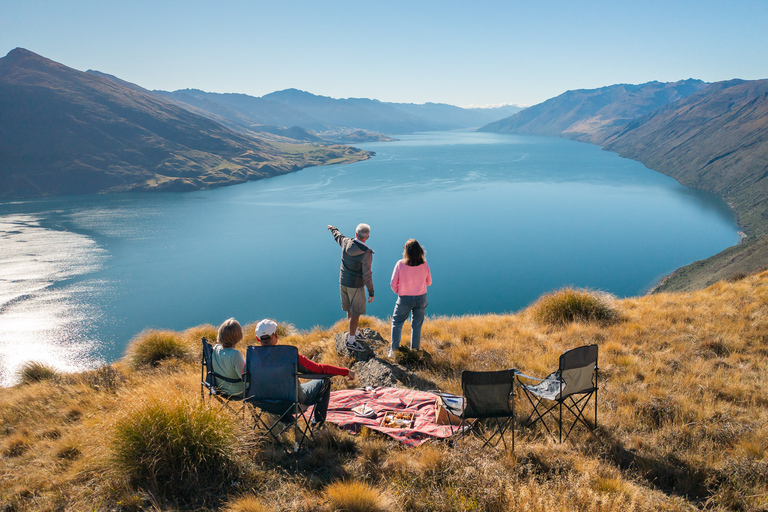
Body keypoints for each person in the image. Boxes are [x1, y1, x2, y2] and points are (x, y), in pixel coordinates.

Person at [254, 318, 355, 425]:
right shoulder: (290, 356)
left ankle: (286, 420)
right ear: (276, 335)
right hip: (293, 404)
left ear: (257, 338)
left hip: (264, 404)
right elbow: (319, 369)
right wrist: (346, 371)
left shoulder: (251, 359)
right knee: (324, 381)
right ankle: (317, 425)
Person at [327, 223, 374, 351]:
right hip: (356, 285)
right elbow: (367, 275)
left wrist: (333, 228)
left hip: (343, 282)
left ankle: (355, 332)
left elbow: (338, 236)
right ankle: (351, 341)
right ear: (367, 237)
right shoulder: (366, 253)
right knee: (356, 312)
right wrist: (371, 291)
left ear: (356, 234)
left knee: (349, 309)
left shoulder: (346, 242)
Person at [388, 239, 432, 358]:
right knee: (417, 325)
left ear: (406, 251)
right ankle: (415, 351)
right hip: (421, 298)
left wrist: (400, 291)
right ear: (419, 251)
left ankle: (394, 351)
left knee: (397, 323)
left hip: (405, 298)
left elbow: (393, 284)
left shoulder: (400, 264)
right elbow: (429, 282)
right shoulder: (424, 264)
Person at [211, 317, 247, 396]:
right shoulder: (235, 354)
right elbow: (245, 378)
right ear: (238, 336)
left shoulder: (215, 349)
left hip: (220, 389)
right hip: (237, 391)